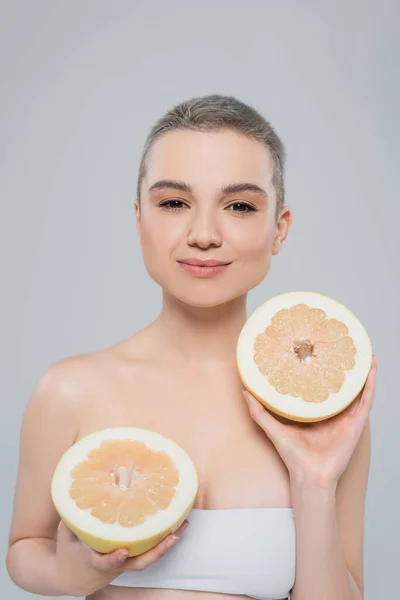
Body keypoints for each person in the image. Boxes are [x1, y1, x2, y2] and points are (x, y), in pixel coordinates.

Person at [6, 94, 376, 600]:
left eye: (240, 206)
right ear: (139, 218)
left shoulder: (322, 407)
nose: (203, 234)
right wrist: (72, 575)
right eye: (174, 203)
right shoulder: (70, 390)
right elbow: (25, 547)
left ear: (279, 229)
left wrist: (314, 482)